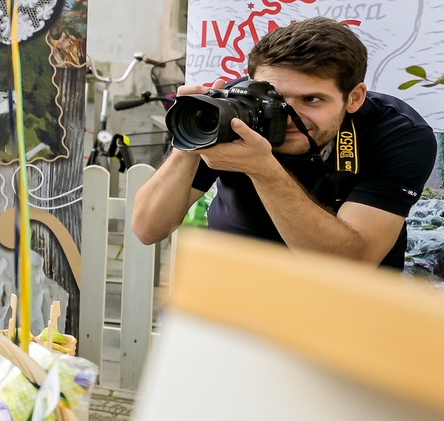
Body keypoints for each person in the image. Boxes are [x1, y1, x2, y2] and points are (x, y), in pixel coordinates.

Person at [131, 17, 437, 268]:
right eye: (274, 97)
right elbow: (147, 229)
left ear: (354, 98)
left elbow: (351, 264)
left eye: (311, 99)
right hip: (235, 295)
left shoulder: (396, 132)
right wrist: (191, 141)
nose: (288, 115)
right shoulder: (236, 108)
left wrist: (263, 170)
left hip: (345, 309)